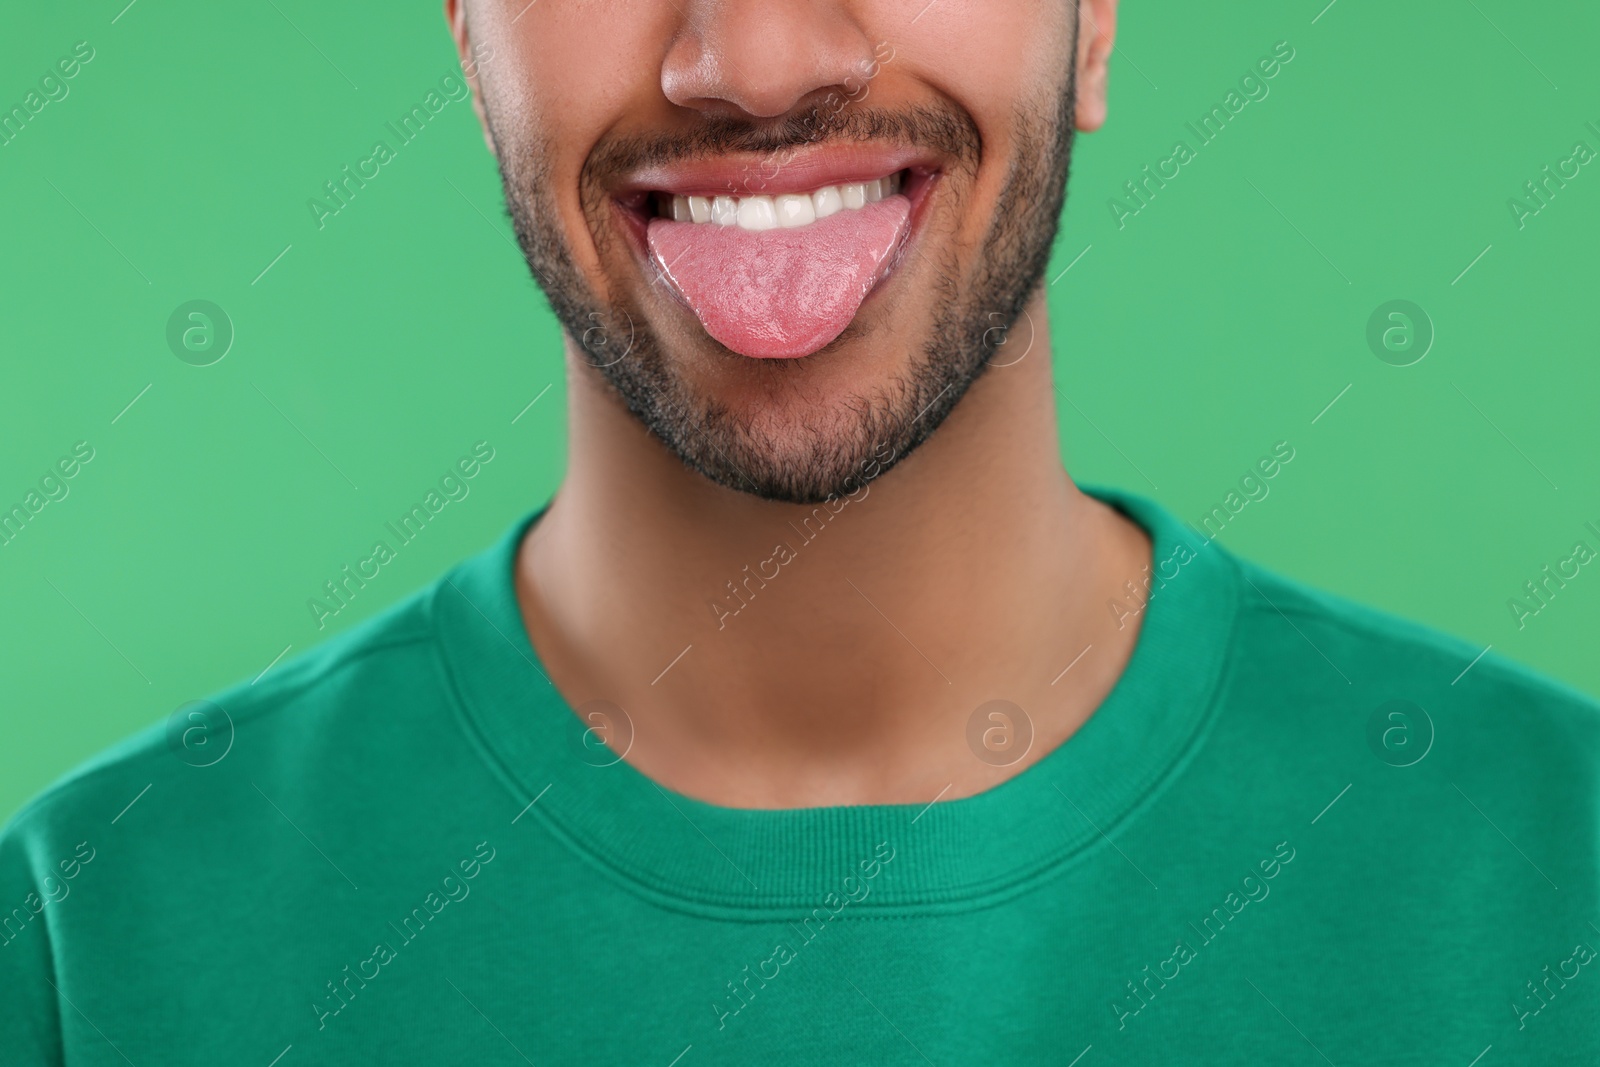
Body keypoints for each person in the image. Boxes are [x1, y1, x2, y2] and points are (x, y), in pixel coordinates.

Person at [4, 1, 1597, 1062]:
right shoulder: (89, 947)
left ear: (1093, 19)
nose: (758, 60)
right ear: (466, 31)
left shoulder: (1561, 888)